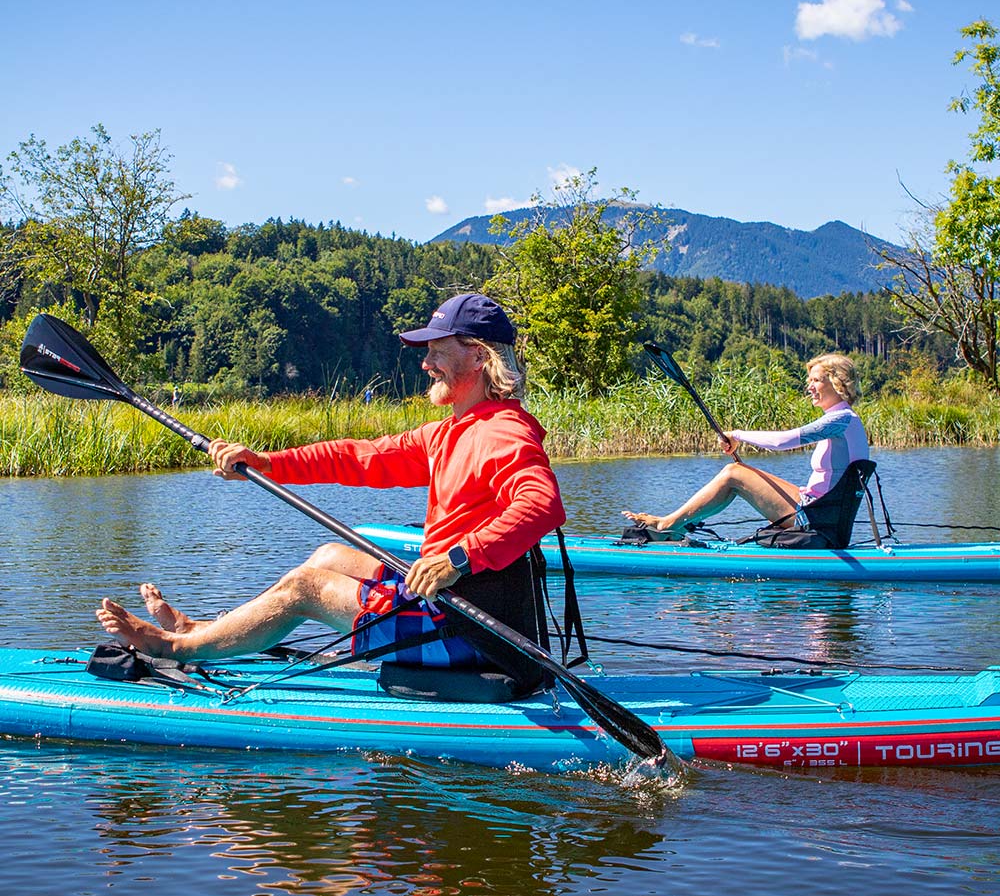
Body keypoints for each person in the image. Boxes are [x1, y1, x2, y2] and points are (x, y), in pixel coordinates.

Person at [97, 293, 566, 698]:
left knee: (305, 587)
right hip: (449, 604)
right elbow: (357, 458)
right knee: (328, 556)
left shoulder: (502, 431)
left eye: (437, 352)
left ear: (479, 356)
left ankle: (174, 646)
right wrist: (267, 463)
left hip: (473, 632)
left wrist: (457, 559)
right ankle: (203, 631)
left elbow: (541, 504)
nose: (425, 364)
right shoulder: (453, 430)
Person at [622, 353, 868, 538]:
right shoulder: (847, 420)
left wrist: (737, 435)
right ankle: (679, 526)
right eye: (809, 380)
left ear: (837, 383)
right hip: (824, 514)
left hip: (817, 519)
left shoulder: (841, 420)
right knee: (741, 472)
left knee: (734, 473)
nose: (809, 387)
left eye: (816, 380)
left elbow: (782, 442)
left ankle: (667, 525)